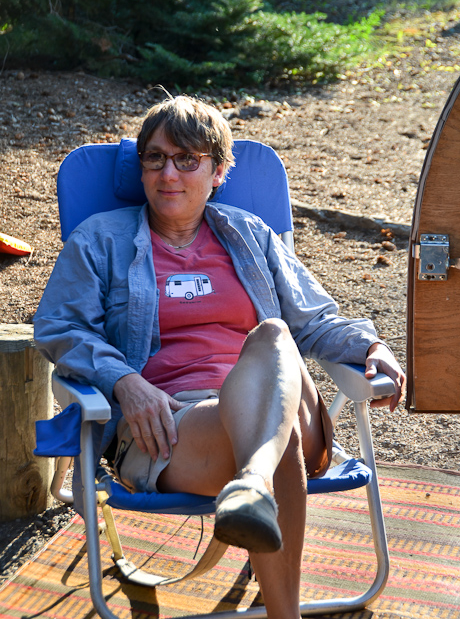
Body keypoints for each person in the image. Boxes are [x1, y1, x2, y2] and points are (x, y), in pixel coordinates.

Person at [34, 95, 405, 619]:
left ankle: (252, 482)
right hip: (175, 426)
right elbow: (62, 327)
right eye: (155, 158)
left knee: (273, 334)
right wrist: (123, 381)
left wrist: (372, 346)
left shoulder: (250, 235)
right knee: (279, 435)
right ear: (141, 168)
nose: (168, 173)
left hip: (278, 401)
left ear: (219, 172)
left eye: (188, 159)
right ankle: (257, 498)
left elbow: (315, 319)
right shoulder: (101, 240)